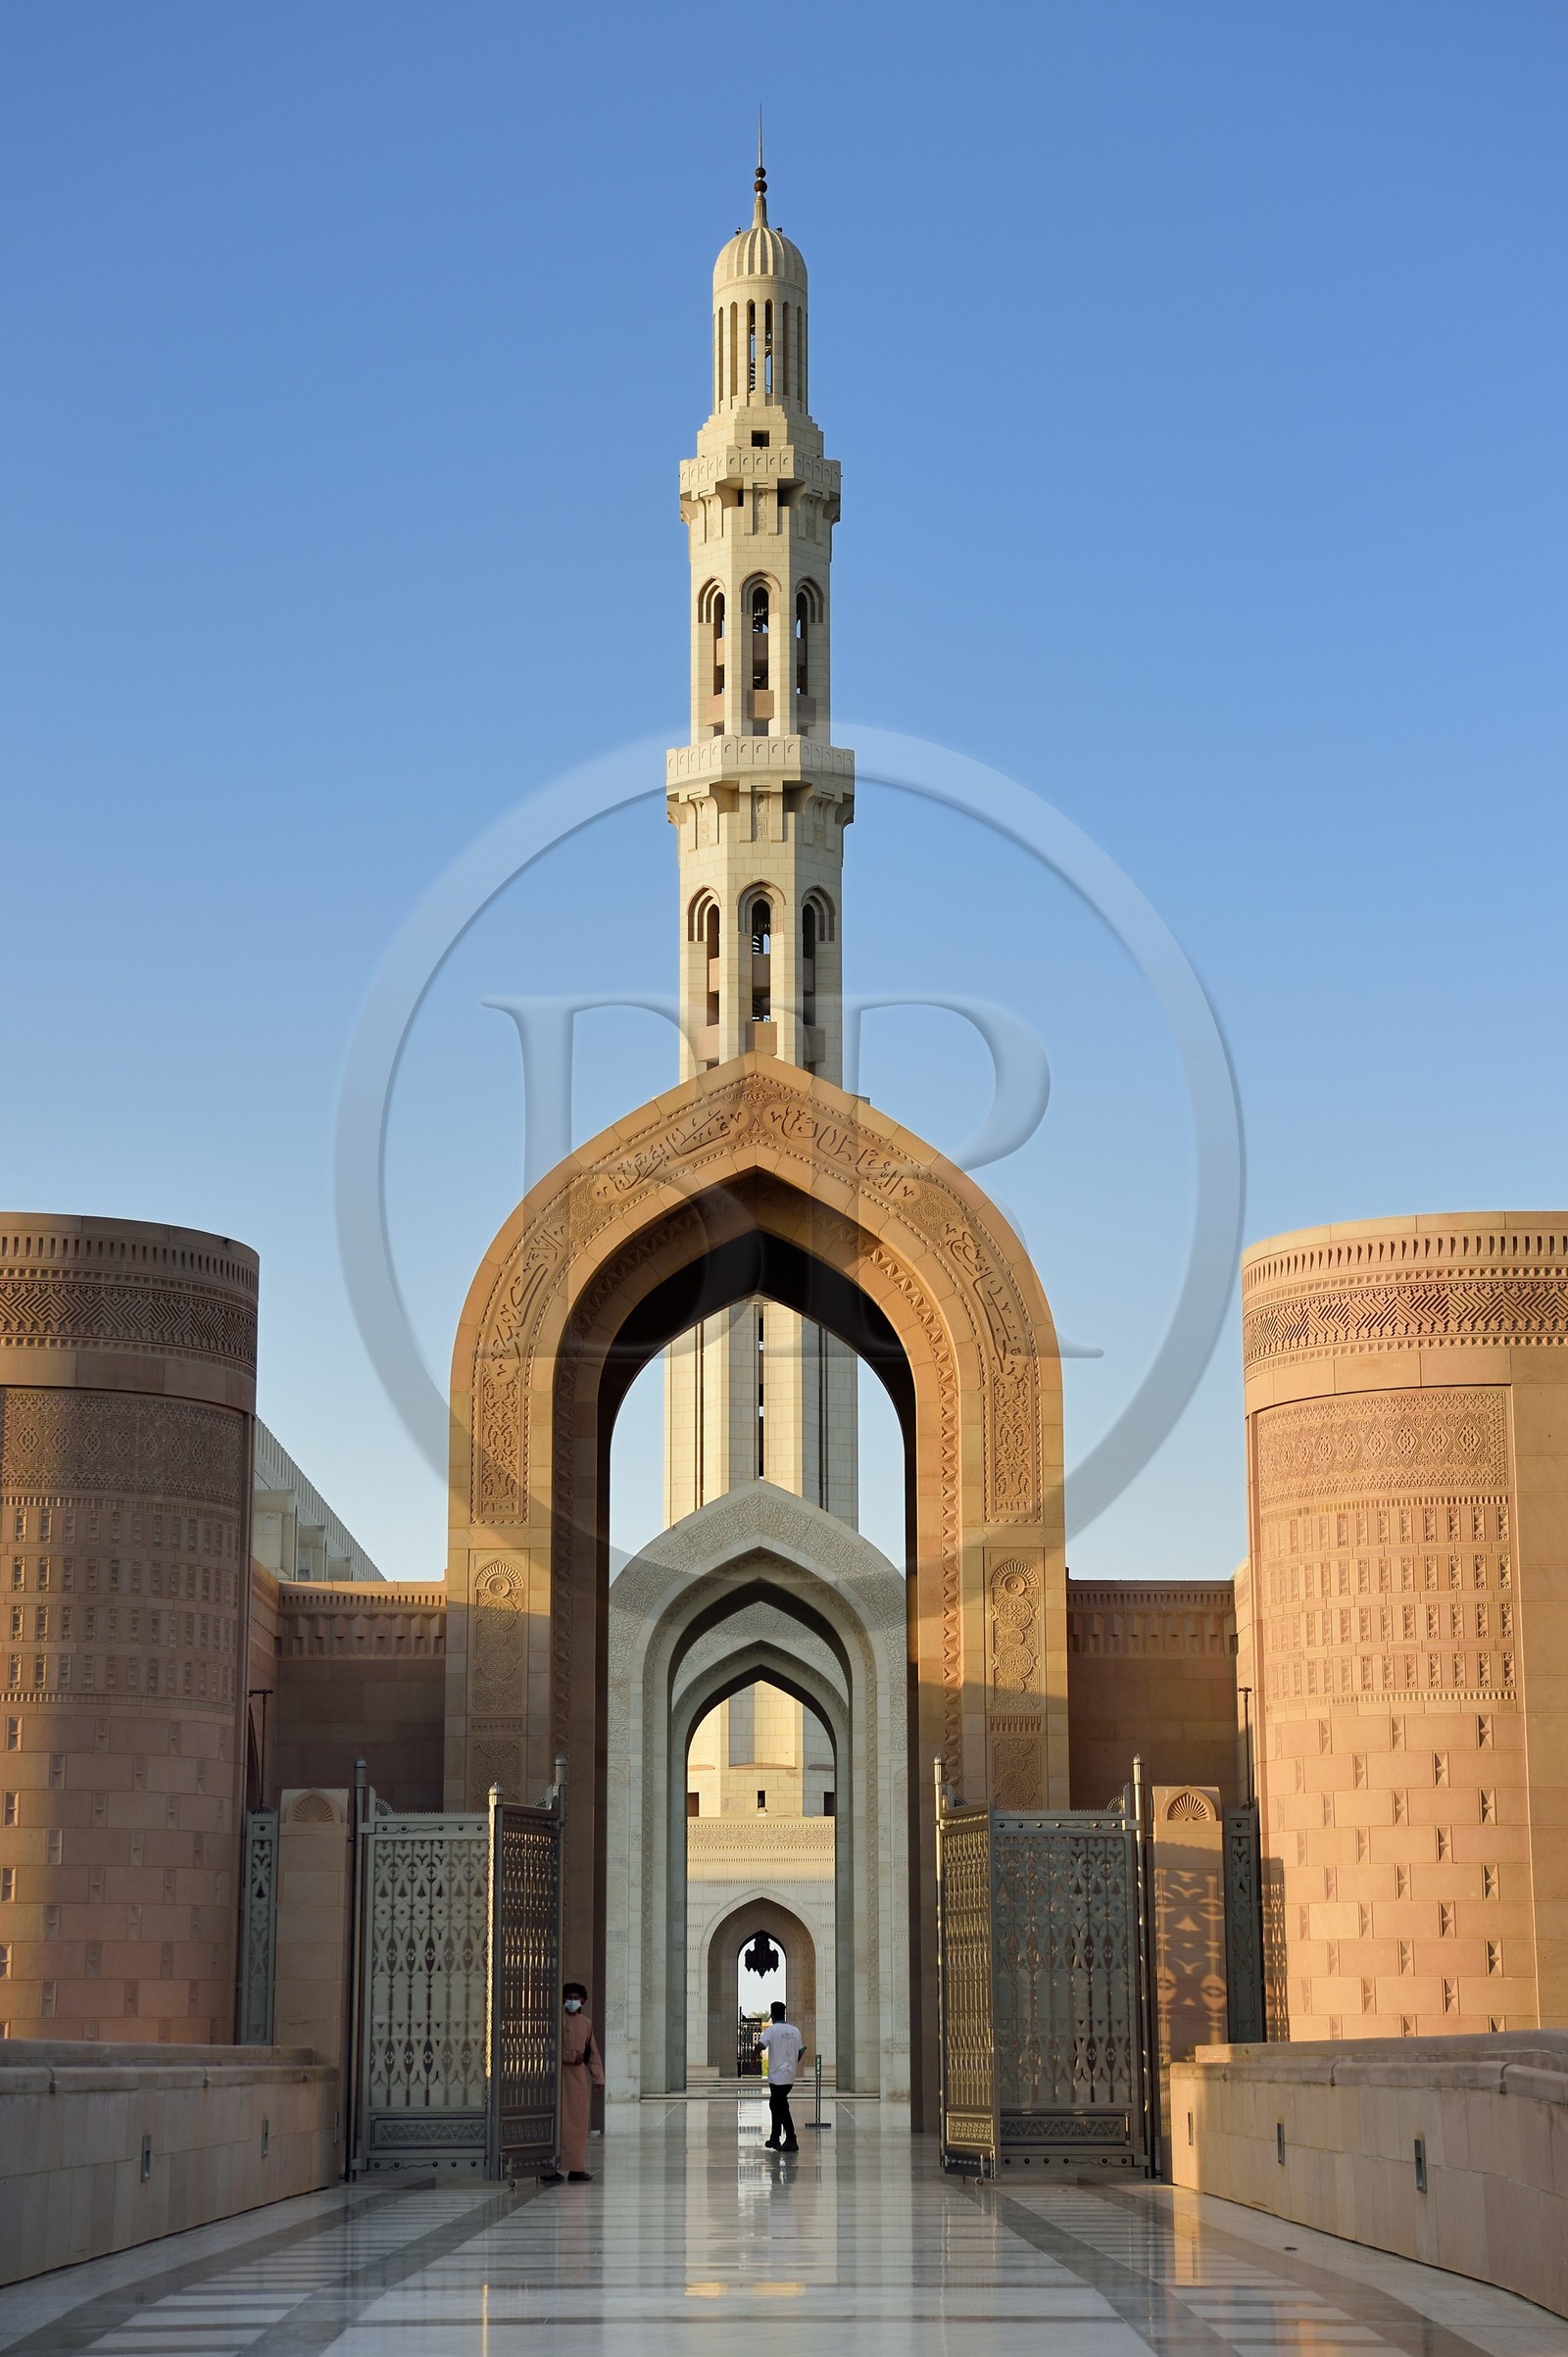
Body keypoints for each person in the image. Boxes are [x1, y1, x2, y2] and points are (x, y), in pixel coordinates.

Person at [542, 1981, 605, 2184]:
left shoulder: (585, 2024)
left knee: (577, 2125)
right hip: (557, 2078)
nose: (572, 2001)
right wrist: (570, 2056)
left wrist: (598, 2078)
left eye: (576, 1998)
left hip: (577, 2081)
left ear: (583, 2000)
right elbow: (550, 2048)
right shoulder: (555, 2021)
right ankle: (549, 2167)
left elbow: (591, 2053)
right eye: (569, 1998)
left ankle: (576, 2168)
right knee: (556, 2123)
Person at [758, 1999, 803, 2152]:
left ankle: (791, 2138)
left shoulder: (772, 2030)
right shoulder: (795, 2030)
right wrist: (792, 2063)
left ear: (772, 2014)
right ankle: (775, 2138)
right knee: (776, 2104)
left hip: (777, 2076)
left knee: (780, 2106)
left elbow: (761, 2045)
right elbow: (800, 2051)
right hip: (789, 2076)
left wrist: (752, 2059)